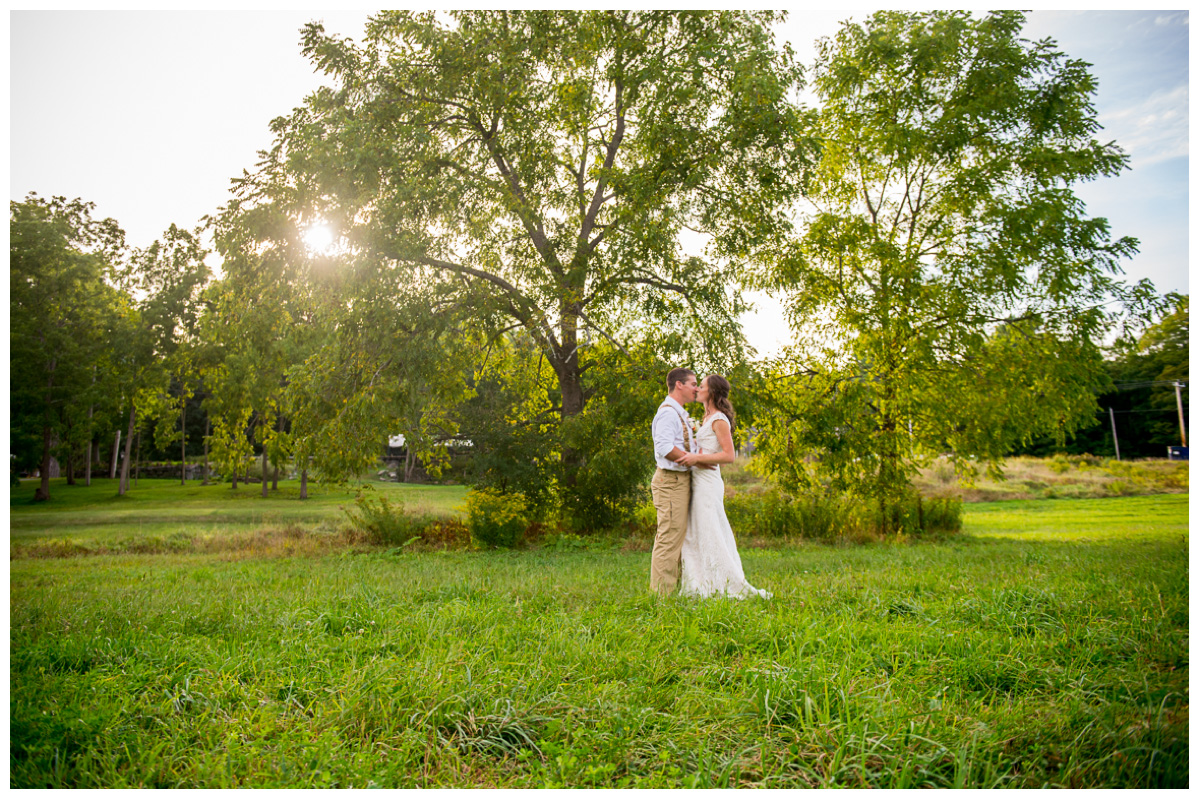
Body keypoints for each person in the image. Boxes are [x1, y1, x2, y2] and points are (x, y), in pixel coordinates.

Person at [676, 374, 771, 599]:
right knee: (696, 531)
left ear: (713, 392)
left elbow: (729, 456)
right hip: (698, 480)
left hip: (708, 483)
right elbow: (708, 449)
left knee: (710, 531)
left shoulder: (719, 419)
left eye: (703, 386)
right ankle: (700, 582)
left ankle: (725, 582)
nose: (698, 388)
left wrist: (697, 459)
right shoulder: (707, 417)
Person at [649, 367, 708, 596]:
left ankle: (676, 589)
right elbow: (664, 448)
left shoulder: (679, 412)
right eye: (693, 384)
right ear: (679, 385)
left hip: (681, 480)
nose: (697, 389)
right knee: (669, 537)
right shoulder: (667, 413)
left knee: (679, 537)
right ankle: (662, 596)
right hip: (671, 481)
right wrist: (694, 461)